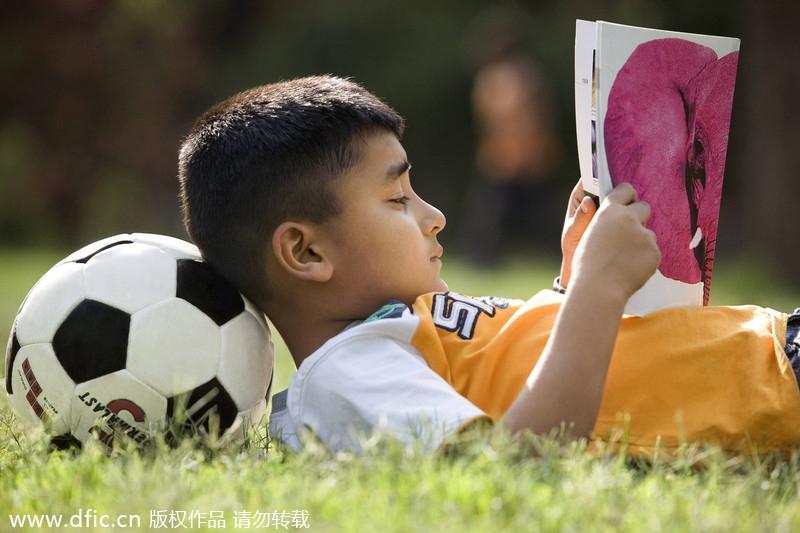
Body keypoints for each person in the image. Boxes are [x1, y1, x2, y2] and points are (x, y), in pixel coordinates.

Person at [178, 75, 800, 457]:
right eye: (398, 200)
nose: (434, 215)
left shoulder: (396, 326)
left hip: (769, 348)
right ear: (307, 252)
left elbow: (516, 368)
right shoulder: (347, 371)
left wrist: (565, 283)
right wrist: (596, 287)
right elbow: (513, 460)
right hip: (770, 388)